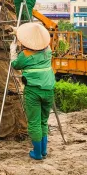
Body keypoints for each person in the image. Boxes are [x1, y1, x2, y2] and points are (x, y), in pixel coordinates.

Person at [10, 22, 54, 160]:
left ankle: (37, 153)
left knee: (34, 122)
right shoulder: (48, 51)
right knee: (43, 121)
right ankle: (44, 151)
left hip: (33, 92)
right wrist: (20, 33)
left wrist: (13, 50)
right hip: (49, 90)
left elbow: (15, 64)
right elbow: (39, 43)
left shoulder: (25, 55)